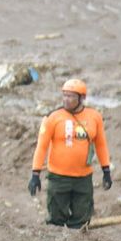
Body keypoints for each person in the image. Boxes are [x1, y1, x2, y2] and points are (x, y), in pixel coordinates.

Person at [29, 79, 112, 230]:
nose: (66, 100)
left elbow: (101, 145)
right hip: (58, 178)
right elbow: (41, 147)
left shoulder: (94, 117)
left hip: (83, 178)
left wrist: (106, 170)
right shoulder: (53, 117)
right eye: (64, 95)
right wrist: (35, 174)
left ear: (82, 98)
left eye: (71, 96)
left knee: (82, 218)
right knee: (56, 218)